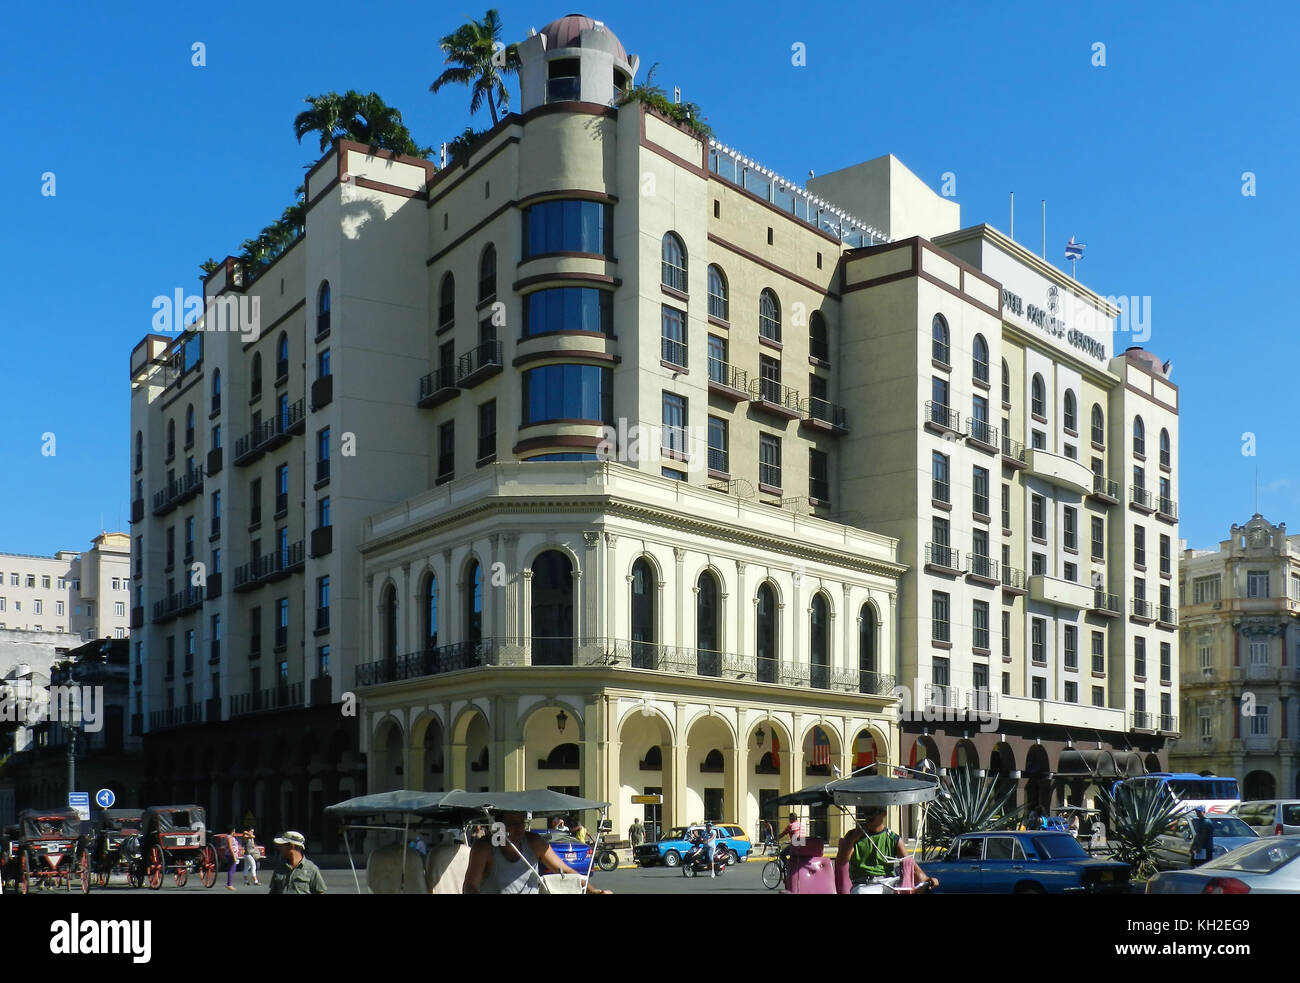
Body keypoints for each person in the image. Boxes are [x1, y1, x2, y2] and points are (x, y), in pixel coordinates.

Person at [463, 812, 610, 894]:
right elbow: (470, 886)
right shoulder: (484, 848)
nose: (519, 828)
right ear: (498, 826)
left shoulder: (534, 842)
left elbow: (564, 871)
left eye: (522, 823)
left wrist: (594, 891)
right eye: (513, 824)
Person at [836, 807, 938, 894]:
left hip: (888, 883)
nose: (869, 816)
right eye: (866, 812)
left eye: (873, 812)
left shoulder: (893, 838)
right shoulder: (853, 835)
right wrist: (853, 839)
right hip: (864, 885)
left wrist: (926, 879)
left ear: (884, 813)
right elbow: (841, 861)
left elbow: (910, 865)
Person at [220, 825, 243, 891]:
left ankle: (229, 883)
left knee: (233, 869)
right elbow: (230, 847)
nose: (235, 831)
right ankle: (229, 884)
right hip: (231, 855)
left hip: (233, 854)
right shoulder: (229, 837)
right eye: (234, 830)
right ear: (232, 831)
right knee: (231, 869)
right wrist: (234, 856)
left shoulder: (231, 837)